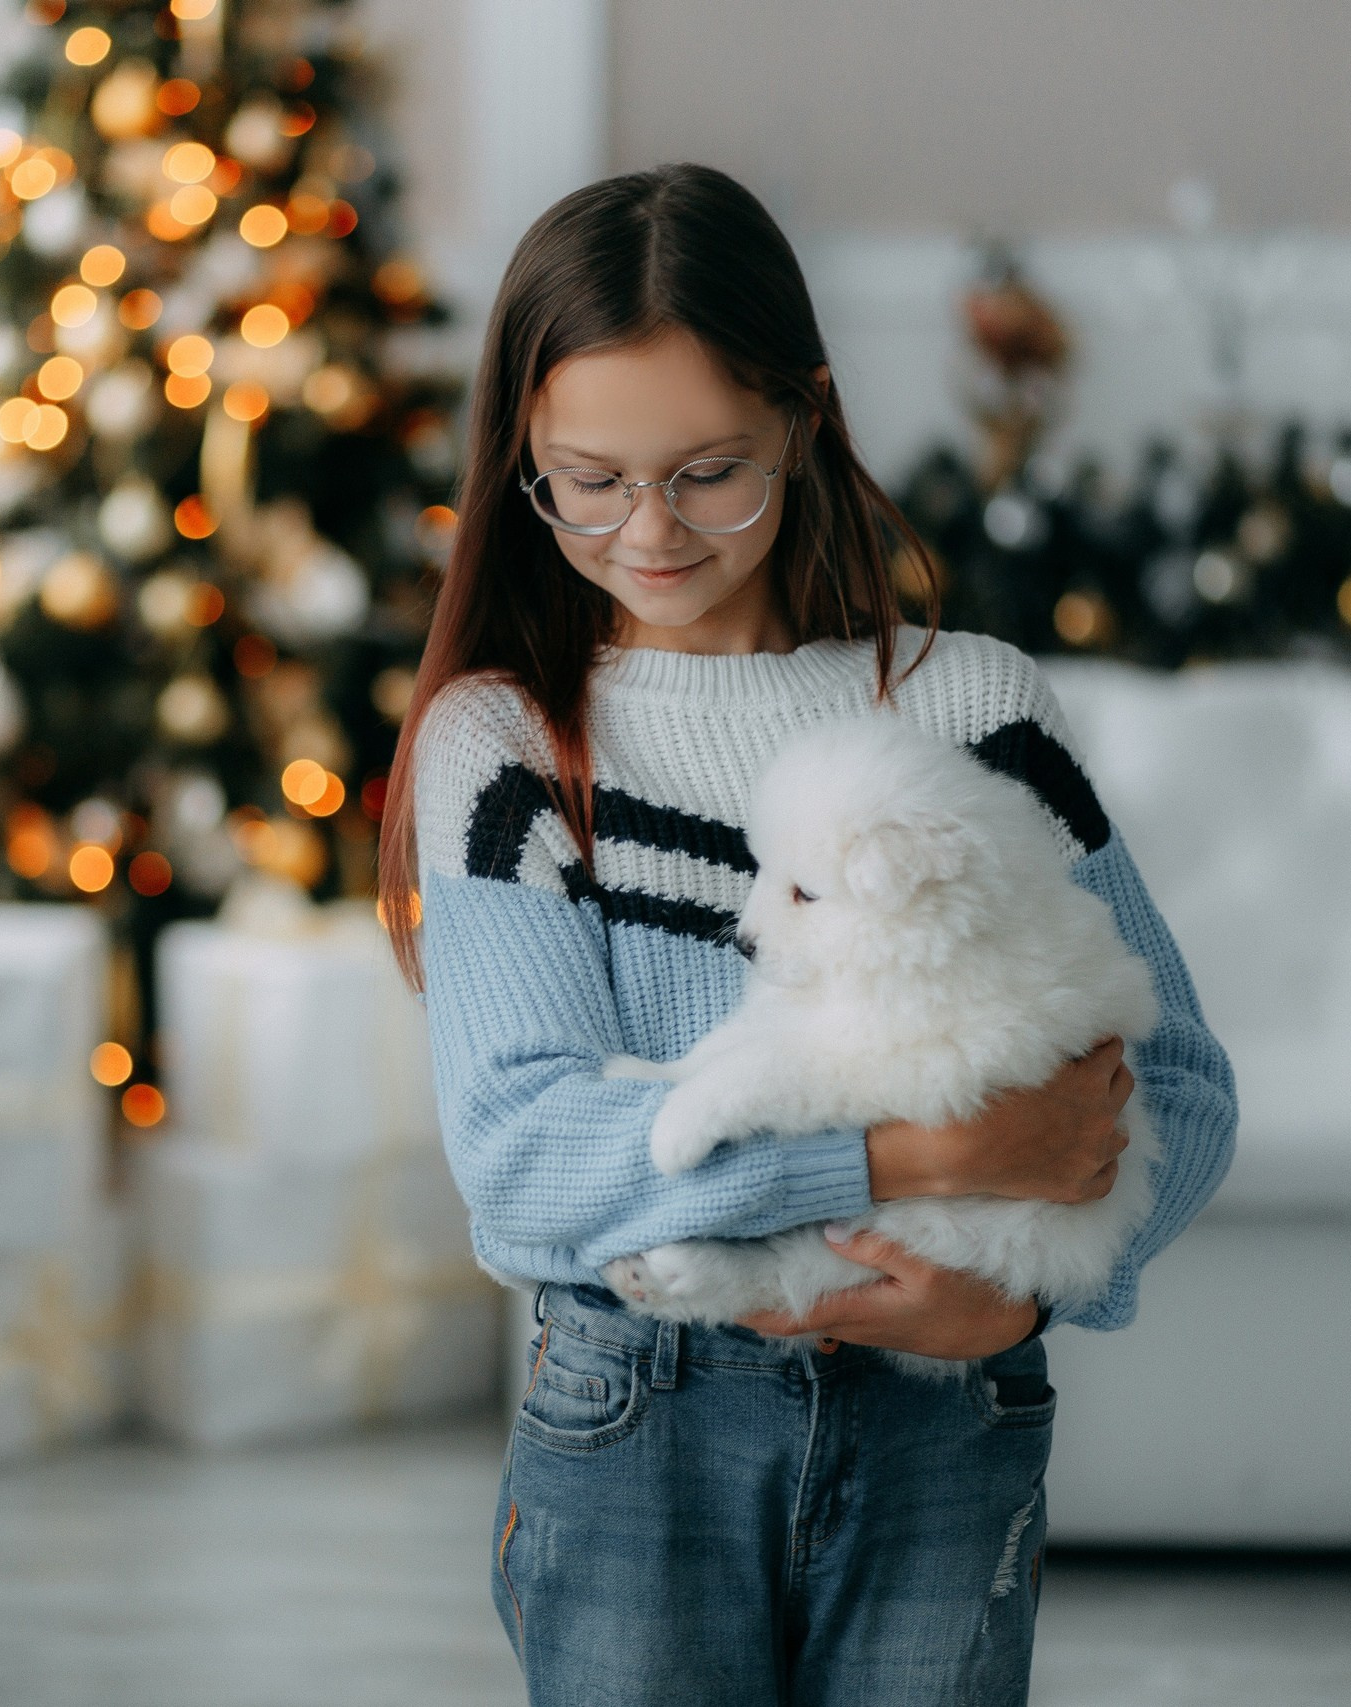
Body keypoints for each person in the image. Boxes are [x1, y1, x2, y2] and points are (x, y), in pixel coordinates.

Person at [375, 164, 1237, 1705]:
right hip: (644, 1424)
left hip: (946, 1418)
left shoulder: (974, 711)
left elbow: (1181, 1089)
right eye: (587, 477)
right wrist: (922, 1159)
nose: (650, 530)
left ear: (805, 418)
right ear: (524, 460)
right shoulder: (505, 748)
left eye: (711, 471)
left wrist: (1025, 1296)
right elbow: (523, 1161)